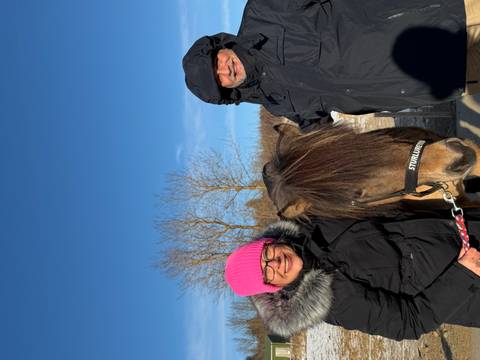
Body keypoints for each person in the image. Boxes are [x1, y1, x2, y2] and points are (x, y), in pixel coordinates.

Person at [183, 0, 480, 129]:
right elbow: (320, 132)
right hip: (439, 80)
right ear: (227, 94)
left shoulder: (264, 12)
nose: (224, 71)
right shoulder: (278, 103)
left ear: (220, 46)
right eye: (218, 80)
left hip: (439, 16)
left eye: (216, 62)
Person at [224, 217, 480, 340]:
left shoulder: (318, 225)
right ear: (274, 288)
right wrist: (464, 273)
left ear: (272, 241)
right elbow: (409, 321)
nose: (275, 263)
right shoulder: (334, 302)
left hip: (462, 230)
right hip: (470, 285)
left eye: (266, 254)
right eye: (266, 272)